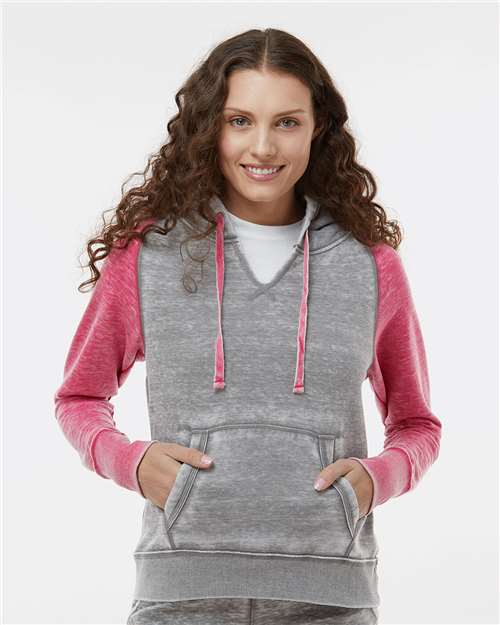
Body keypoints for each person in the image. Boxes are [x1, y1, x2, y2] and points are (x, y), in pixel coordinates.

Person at [54, 27, 442, 625]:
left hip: (331, 600)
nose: (262, 146)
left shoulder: (370, 265)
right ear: (210, 127)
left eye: (286, 122)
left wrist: (375, 479)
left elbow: (417, 424)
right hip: (181, 595)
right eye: (239, 121)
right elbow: (79, 398)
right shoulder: (150, 256)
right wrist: (131, 461)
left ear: (317, 128)